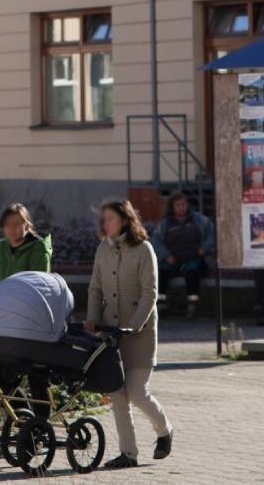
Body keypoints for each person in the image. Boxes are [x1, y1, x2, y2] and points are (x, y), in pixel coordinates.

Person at [85, 200, 174, 470]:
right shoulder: (103, 248)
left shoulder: (144, 249)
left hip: (140, 334)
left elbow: (150, 293)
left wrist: (134, 325)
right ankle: (128, 453)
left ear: (125, 219)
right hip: (110, 333)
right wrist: (92, 320)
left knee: (136, 391)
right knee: (117, 394)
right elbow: (95, 289)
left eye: (110, 218)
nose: (106, 223)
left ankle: (164, 429)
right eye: (104, 219)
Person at [153, 193, 215, 318]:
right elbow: (155, 240)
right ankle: (161, 305)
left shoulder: (199, 220)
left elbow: (211, 234)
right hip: (172, 258)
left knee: (193, 272)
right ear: (172, 207)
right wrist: (166, 255)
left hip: (193, 257)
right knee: (160, 272)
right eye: (178, 205)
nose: (181, 207)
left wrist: (204, 248)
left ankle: (193, 305)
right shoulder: (165, 223)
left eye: (184, 204)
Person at [0, 203, 52, 302]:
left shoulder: (38, 249)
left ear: (27, 225)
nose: (11, 229)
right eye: (7, 225)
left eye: (16, 224)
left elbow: (39, 287)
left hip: (26, 310)